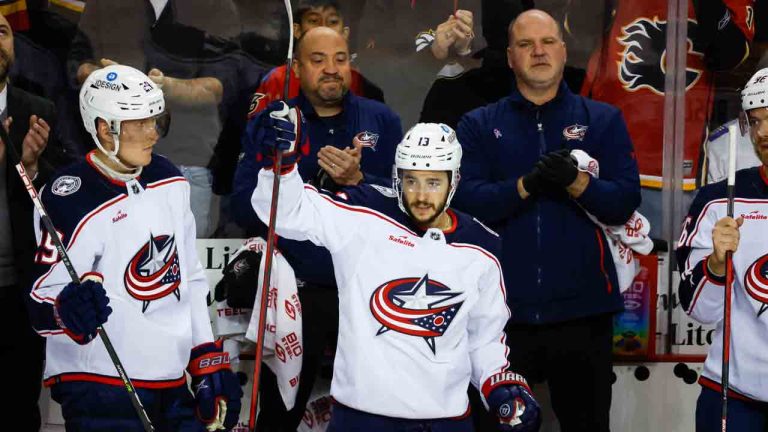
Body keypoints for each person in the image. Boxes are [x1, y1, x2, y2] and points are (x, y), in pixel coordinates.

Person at [251, 113, 541, 431]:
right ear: (396, 177)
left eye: (433, 182)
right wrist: (281, 166)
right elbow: (286, 213)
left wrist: (498, 385)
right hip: (360, 417)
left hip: (445, 421)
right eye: (411, 180)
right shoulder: (363, 213)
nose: (420, 195)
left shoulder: (482, 247)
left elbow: (483, 339)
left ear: (454, 180)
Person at [452, 10, 641, 431]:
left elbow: (624, 201)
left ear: (562, 49)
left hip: (583, 315)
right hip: (499, 317)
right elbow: (464, 203)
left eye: (548, 41)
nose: (538, 51)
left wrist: (577, 183)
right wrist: (525, 185)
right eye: (525, 44)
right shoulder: (479, 124)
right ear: (511, 57)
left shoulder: (603, 119)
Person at [27, 65, 241, 431]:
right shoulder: (69, 196)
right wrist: (66, 311)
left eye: (156, 121)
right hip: (99, 382)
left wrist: (205, 356)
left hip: (170, 380)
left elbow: (187, 275)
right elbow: (39, 306)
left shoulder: (170, 178)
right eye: (138, 123)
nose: (153, 134)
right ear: (102, 127)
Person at [232, 25, 402, 430]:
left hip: (366, 294)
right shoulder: (274, 123)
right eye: (318, 59)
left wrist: (359, 184)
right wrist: (285, 175)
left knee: (376, 410)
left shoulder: (382, 119)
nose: (331, 69)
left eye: (340, 59)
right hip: (297, 293)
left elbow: (408, 209)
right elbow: (242, 206)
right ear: (296, 68)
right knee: (278, 414)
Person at [677, 67, 768, 431]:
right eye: (756, 121)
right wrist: (716, 264)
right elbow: (698, 309)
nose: (763, 133)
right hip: (734, 392)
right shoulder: (719, 200)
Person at [0, 10, 69, 431]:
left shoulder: (38, 110)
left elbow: (63, 194)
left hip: (19, 291)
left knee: (18, 407)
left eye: (3, 32)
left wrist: (30, 167)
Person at [248, 0, 384, 118]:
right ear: (297, 30)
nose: (324, 27)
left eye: (332, 22)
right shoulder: (278, 81)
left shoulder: (363, 87)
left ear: (345, 33)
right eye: (314, 21)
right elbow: (255, 139)